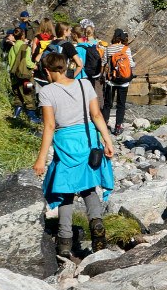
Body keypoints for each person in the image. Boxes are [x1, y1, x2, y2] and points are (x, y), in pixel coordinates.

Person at [32, 51, 115, 259]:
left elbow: (50, 125)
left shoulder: (47, 92)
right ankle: (96, 222)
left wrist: (41, 158)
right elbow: (96, 115)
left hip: (65, 144)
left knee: (66, 192)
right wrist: (108, 140)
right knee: (88, 187)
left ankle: (65, 242)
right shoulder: (84, 84)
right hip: (88, 141)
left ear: (48, 70)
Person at [102, 29, 134, 135]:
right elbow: (131, 64)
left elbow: (104, 62)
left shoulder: (108, 49)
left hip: (111, 80)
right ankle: (118, 127)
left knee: (108, 104)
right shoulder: (126, 49)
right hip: (124, 81)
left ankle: (104, 124)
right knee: (121, 104)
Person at [7, 28, 40, 123]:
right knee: (29, 94)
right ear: (23, 36)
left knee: (18, 96)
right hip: (25, 76)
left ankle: (16, 115)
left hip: (14, 76)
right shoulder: (26, 47)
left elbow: (10, 62)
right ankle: (32, 117)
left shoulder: (12, 48)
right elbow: (28, 63)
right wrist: (35, 67)